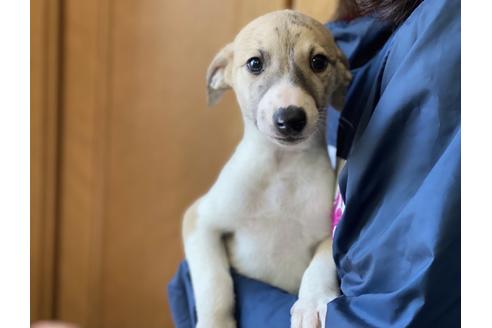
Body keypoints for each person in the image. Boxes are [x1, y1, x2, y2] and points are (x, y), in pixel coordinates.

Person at [168, 0, 461, 326]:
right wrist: (216, 314)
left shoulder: (334, 181)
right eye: (255, 65)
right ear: (222, 73)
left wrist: (317, 282)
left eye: (317, 63)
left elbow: (335, 242)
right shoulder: (239, 183)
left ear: (340, 75)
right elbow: (199, 223)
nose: (289, 101)